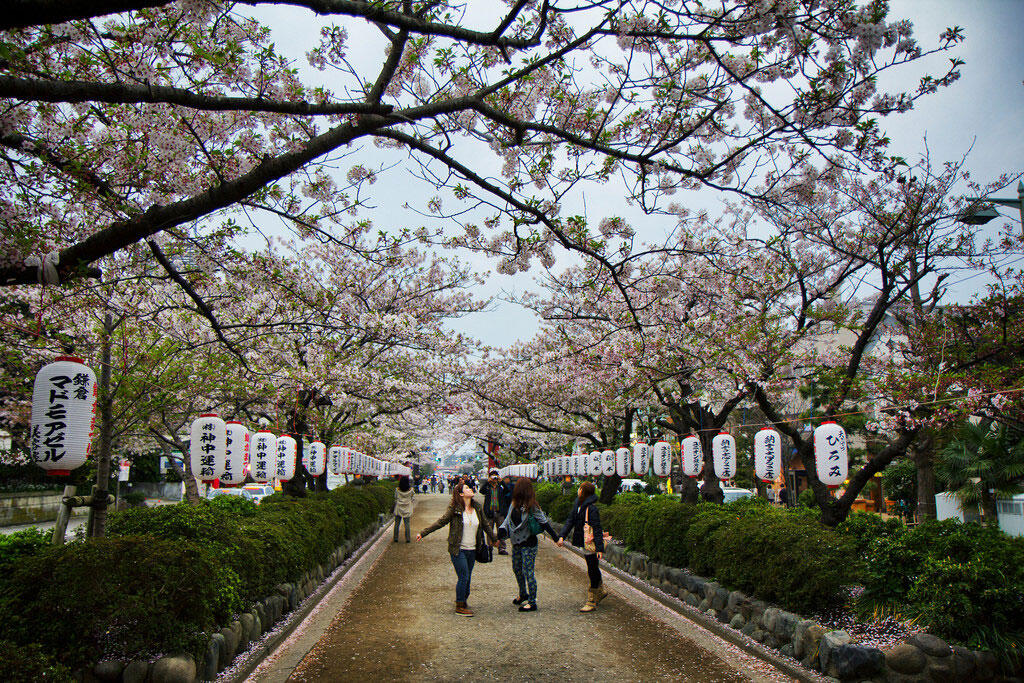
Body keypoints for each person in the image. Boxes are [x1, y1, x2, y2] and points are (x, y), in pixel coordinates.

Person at [417, 481, 498, 616]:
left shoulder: (477, 507)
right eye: (467, 488)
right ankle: (459, 605)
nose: (470, 489)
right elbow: (441, 522)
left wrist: (495, 539)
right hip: (457, 548)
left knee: (467, 577)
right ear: (461, 494)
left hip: (472, 549)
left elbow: (485, 524)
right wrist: (423, 533)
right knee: (464, 576)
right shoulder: (455, 509)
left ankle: (464, 600)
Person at [497, 478, 559, 612]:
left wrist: (556, 538)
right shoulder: (513, 504)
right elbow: (507, 520)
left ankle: (532, 601)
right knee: (517, 569)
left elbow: (544, 522)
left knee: (528, 571)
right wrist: (501, 532)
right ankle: (523, 593)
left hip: (529, 543)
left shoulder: (532, 506)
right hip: (516, 543)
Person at [557, 481, 607, 612]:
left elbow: (597, 528)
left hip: (590, 543)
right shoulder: (578, 505)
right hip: (584, 542)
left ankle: (592, 600)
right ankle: (600, 591)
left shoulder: (591, 508)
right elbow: (570, 521)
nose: (578, 490)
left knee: (592, 568)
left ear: (583, 491)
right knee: (593, 567)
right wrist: (562, 536)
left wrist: (600, 548)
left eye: (580, 488)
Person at [481, 470, 511, 555]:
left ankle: (501, 548)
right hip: (489, 512)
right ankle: (490, 546)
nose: (494, 478)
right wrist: (487, 482)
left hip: (499, 512)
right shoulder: (487, 487)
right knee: (489, 529)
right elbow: (481, 491)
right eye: (493, 477)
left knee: (501, 530)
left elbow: (507, 490)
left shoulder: (500, 487)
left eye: (495, 477)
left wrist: (501, 482)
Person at [393, 475, 414, 542]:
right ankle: (408, 538)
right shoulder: (411, 490)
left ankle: (395, 538)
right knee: (407, 524)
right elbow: (412, 498)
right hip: (407, 508)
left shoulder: (397, 489)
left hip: (398, 507)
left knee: (397, 524)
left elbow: (395, 497)